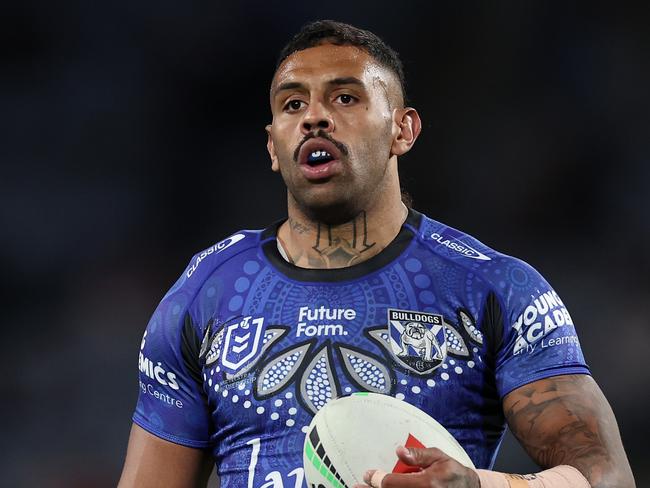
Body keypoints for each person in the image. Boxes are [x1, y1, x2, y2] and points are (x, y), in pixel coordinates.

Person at [119, 20, 635, 488]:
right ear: (273, 147)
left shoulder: (495, 288)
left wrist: (483, 487)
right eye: (293, 104)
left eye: (345, 98)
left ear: (403, 129)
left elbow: (607, 476)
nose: (314, 118)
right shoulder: (206, 292)